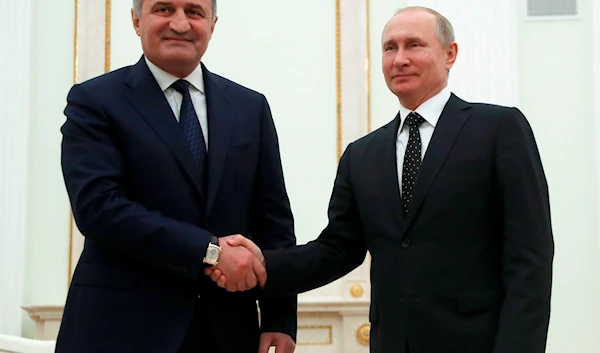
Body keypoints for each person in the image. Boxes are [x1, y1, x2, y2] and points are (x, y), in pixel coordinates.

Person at [208, 6, 554, 353]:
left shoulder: (499, 130)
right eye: (390, 48)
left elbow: (530, 257)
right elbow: (338, 249)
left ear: (450, 54)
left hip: (477, 341)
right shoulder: (362, 155)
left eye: (414, 45)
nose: (399, 59)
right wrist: (266, 265)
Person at [56, 0, 296, 352]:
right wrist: (209, 251)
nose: (180, 24)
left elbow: (272, 217)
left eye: (194, 12)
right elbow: (99, 208)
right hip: (121, 329)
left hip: (227, 329)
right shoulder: (95, 100)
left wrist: (279, 317)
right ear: (137, 21)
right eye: (164, 9)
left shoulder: (250, 107)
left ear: (213, 25)